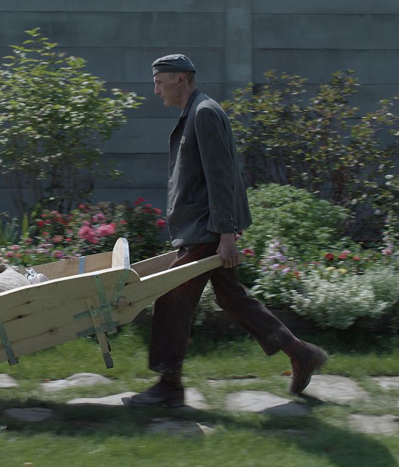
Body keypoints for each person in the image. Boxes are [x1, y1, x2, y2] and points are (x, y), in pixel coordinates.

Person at [129, 54, 328, 408]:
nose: (155, 89)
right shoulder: (194, 112)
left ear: (180, 79)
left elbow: (221, 178)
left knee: (170, 301)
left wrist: (226, 235)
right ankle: (301, 353)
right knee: (232, 298)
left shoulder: (204, 113)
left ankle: (168, 386)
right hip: (203, 228)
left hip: (206, 230)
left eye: (159, 81)